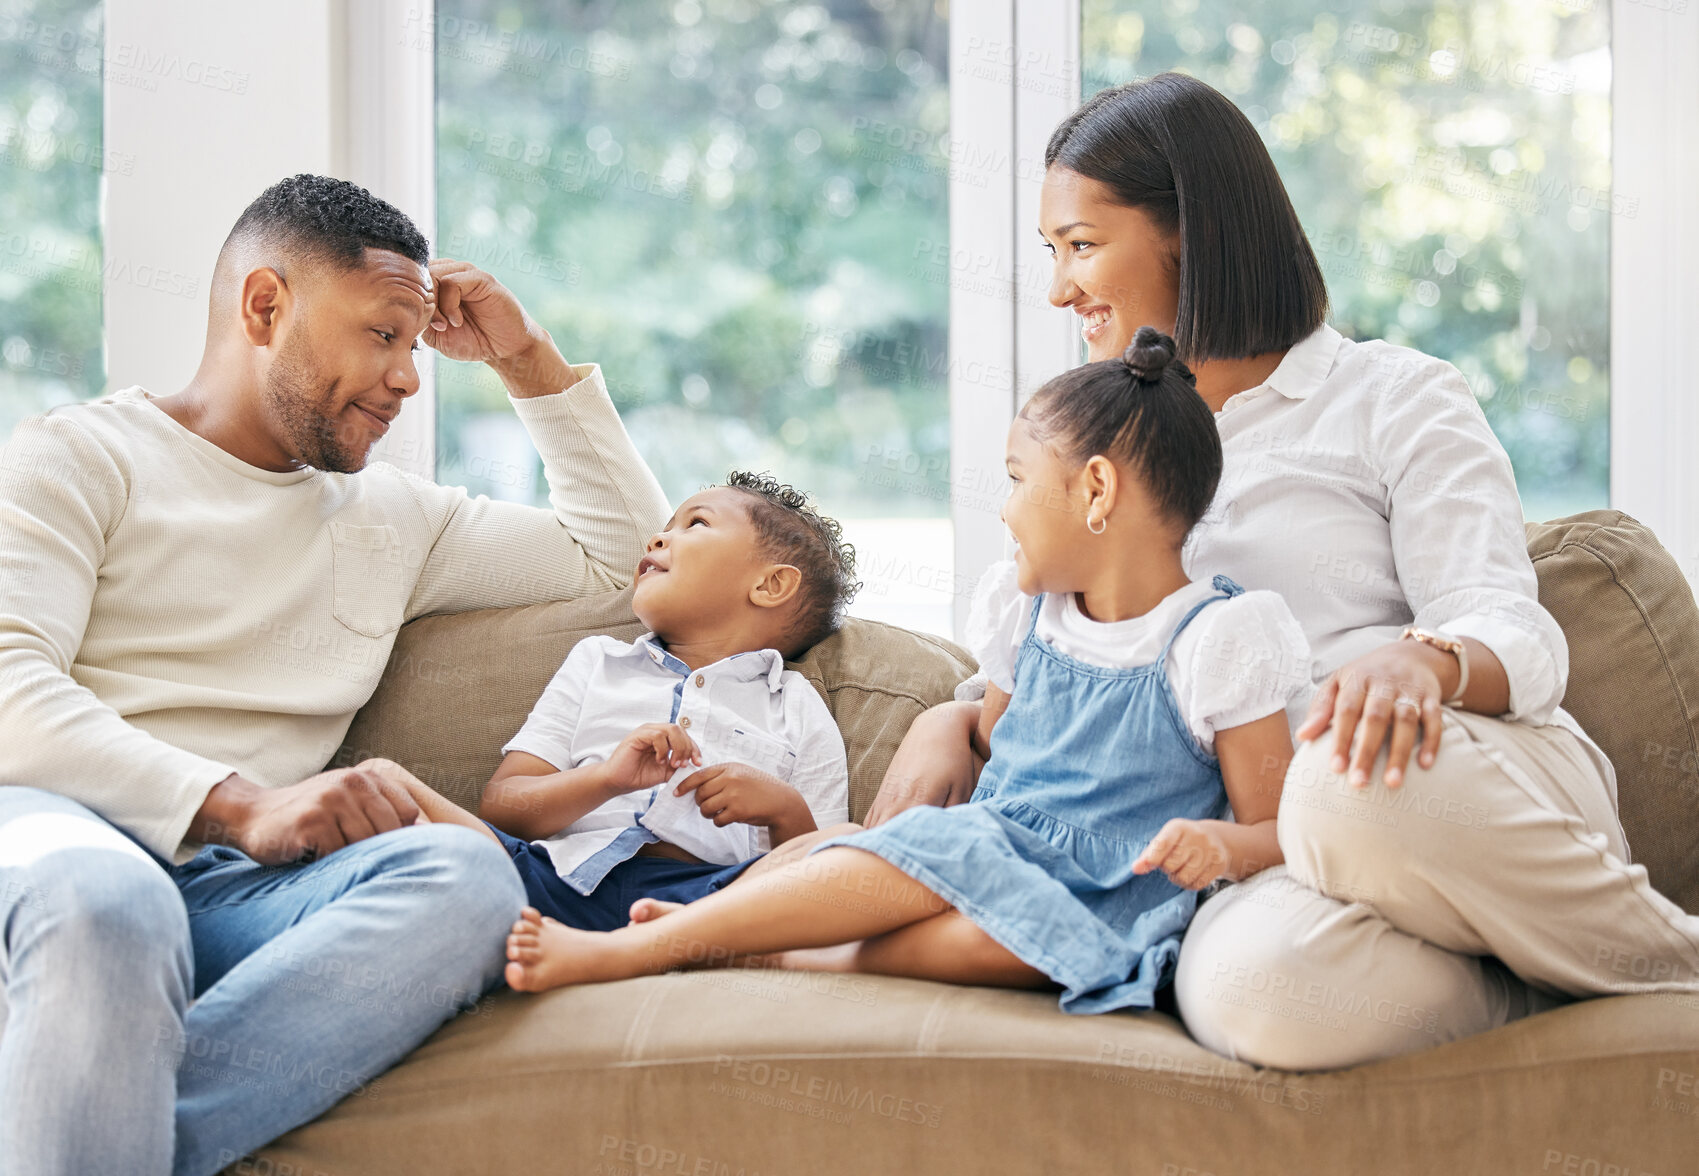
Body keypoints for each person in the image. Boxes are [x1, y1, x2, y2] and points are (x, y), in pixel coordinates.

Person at [864, 73, 1699, 1069]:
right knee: (1248, 992)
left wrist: (1423, 663)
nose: (1058, 289)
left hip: (1447, 779)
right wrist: (947, 715)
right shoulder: (1091, 437)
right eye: (1052, 253)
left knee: (1338, 785)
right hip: (1271, 858)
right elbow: (1063, 641)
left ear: (1193, 233)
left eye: (1081, 246)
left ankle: (1667, 961)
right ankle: (1527, 974)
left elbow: (1508, 623)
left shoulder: (1391, 396)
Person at [0, 174, 670, 1176]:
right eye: (382, 336)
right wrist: (238, 805)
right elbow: (10, 691)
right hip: (58, 834)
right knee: (112, 905)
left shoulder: (399, 519)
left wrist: (528, 361)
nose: (408, 379)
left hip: (241, 894)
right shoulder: (82, 457)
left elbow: (630, 565)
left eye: (414, 344)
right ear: (264, 307)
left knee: (466, 876)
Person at [498, 327, 1313, 1008]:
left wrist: (1224, 846)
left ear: (1096, 490)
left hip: (1104, 893)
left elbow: (1277, 825)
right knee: (878, 857)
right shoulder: (1024, 613)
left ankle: (755, 951)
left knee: (1015, 945)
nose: (1004, 507)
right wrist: (952, 736)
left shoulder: (1220, 638)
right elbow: (999, 749)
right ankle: (651, 948)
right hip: (982, 851)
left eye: (1018, 481)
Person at [384, 472, 857, 950]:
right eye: (666, 525)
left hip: (705, 902)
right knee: (385, 785)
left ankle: (604, 951)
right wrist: (607, 779)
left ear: (770, 584)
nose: (657, 537)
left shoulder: (795, 704)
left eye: (695, 524)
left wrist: (784, 810)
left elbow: (824, 871)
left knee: (844, 862)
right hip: (553, 875)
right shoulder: (598, 662)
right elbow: (505, 807)